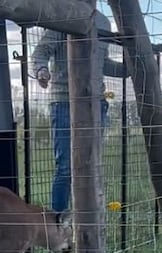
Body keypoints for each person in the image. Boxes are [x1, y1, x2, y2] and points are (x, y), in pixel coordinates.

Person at [31, 10, 128, 214]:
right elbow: (41, 52)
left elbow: (102, 63)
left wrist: (129, 68)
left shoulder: (102, 21)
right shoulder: (62, 15)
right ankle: (58, 223)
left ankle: (88, 217)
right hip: (65, 102)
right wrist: (41, 70)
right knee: (66, 167)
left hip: (96, 103)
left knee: (91, 164)